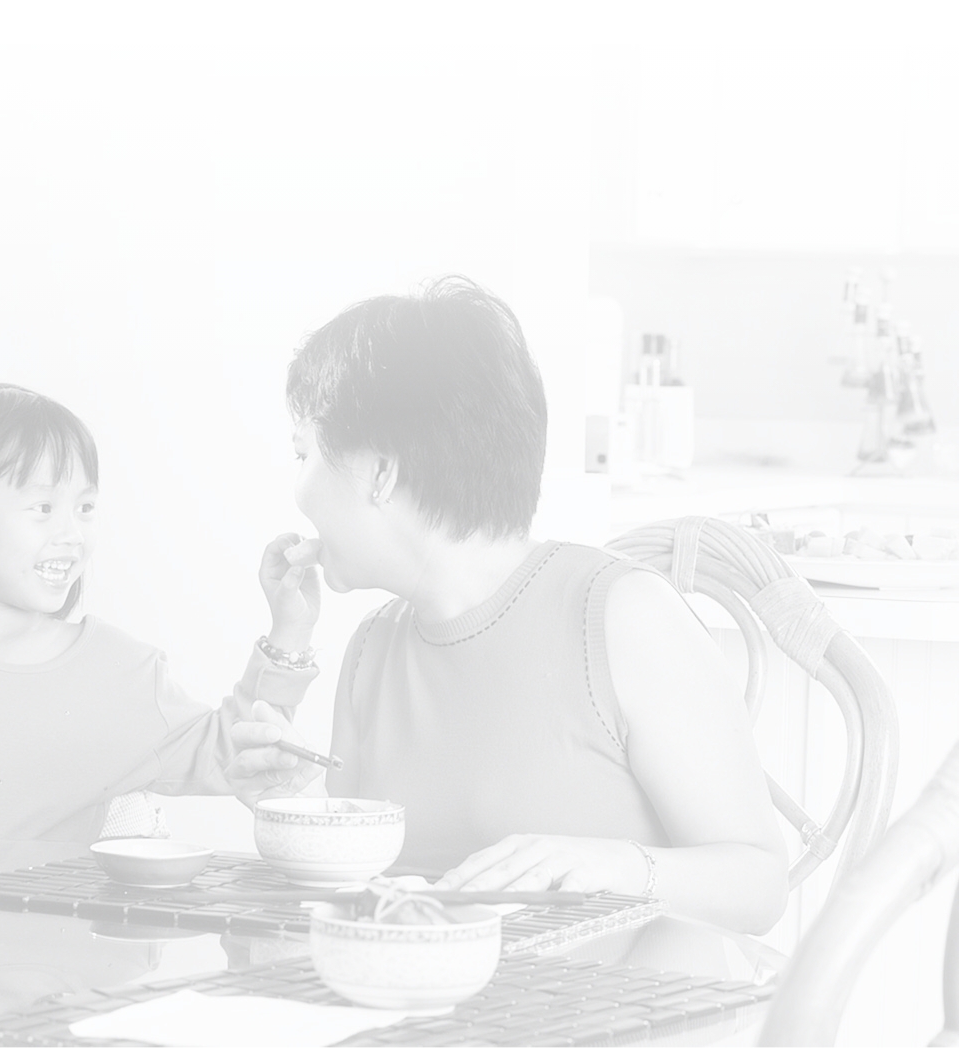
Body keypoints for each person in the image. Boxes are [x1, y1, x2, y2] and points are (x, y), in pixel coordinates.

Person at [228, 278, 788, 934]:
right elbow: (379, 903)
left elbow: (760, 887)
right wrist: (293, 810)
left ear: (380, 471)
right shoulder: (372, 648)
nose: (298, 492)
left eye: (304, 453)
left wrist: (610, 866)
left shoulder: (622, 618)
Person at [0, 384, 321, 845]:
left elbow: (232, 748)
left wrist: (290, 628)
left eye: (84, 508)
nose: (72, 534)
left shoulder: (122, 670)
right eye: (42, 508)